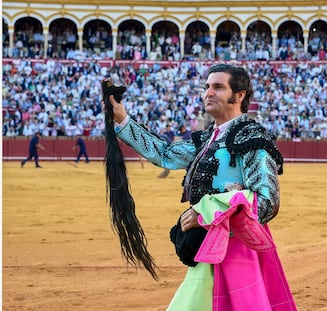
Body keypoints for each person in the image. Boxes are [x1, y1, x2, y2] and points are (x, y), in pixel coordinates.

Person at [108, 64, 296, 310]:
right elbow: (164, 153)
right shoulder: (207, 139)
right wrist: (122, 119)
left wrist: (206, 213)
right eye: (207, 87)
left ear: (239, 95)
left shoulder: (252, 140)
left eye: (218, 87)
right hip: (209, 248)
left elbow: (266, 203)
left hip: (237, 250)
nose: (209, 92)